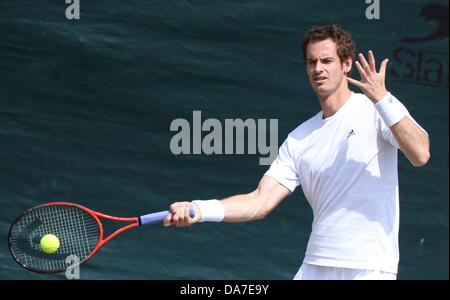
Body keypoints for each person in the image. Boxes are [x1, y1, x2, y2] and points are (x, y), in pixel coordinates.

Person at [163, 25, 430, 280]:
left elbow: (421, 154)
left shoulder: (377, 110)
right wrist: (200, 208)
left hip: (369, 267)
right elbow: (260, 201)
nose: (318, 69)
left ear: (346, 64)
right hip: (316, 263)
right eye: (311, 62)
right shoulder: (299, 138)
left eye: (327, 61)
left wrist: (383, 99)